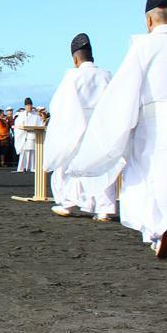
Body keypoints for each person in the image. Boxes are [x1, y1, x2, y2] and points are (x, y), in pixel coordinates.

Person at [68, 0, 167, 258]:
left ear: (149, 20)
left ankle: (155, 231)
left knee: (148, 176)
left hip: (153, 124)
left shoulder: (143, 46)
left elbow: (124, 92)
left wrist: (117, 126)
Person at [45, 33, 119, 221]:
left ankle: (67, 203)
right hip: (102, 127)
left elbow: (60, 105)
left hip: (77, 126)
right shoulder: (106, 75)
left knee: (70, 165)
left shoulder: (72, 76)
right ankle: (105, 208)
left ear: (75, 59)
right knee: (104, 165)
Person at [14, 98, 44, 172]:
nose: (29, 107)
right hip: (24, 136)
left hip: (33, 135)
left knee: (33, 152)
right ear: (25, 106)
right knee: (24, 151)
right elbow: (17, 126)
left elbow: (40, 124)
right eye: (28, 105)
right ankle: (22, 167)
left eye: (30, 105)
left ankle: (33, 167)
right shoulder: (21, 115)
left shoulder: (36, 115)